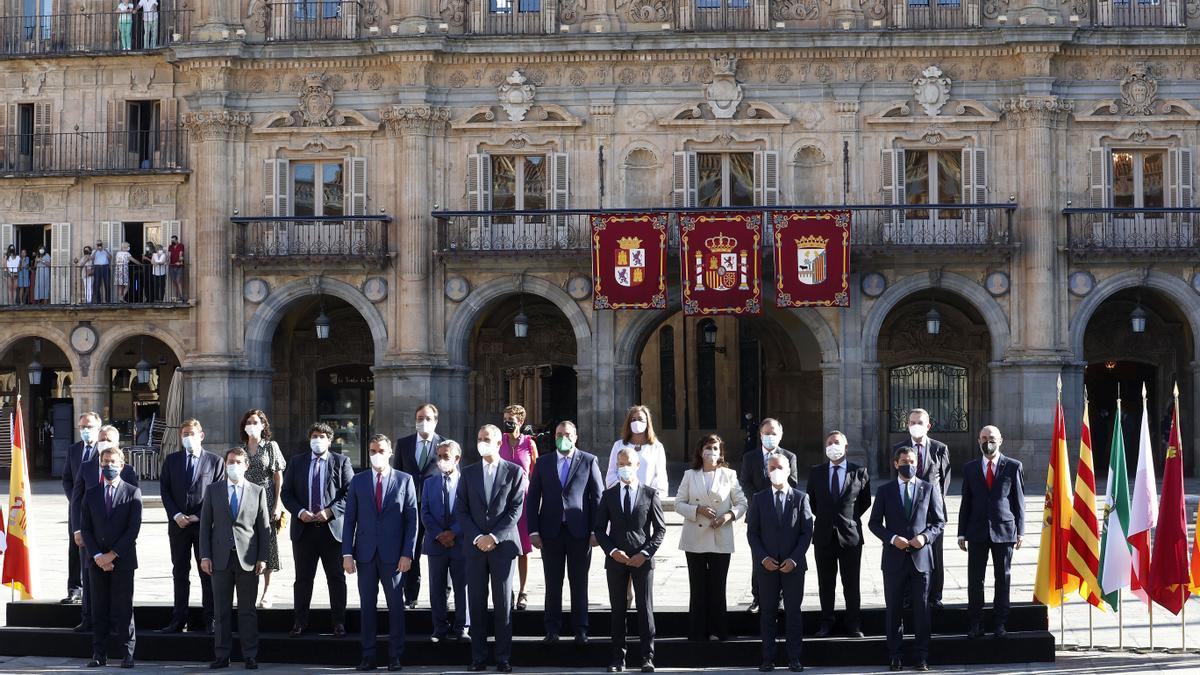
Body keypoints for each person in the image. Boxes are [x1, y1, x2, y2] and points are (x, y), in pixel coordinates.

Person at [342, 435, 417, 672]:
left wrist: (408, 553)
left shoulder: (405, 480)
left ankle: (395, 656)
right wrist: (346, 553)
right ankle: (368, 656)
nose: (376, 454)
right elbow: (349, 519)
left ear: (390, 452)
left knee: (395, 606)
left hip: (393, 556)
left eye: (381, 450)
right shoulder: (359, 481)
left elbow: (412, 520)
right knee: (367, 606)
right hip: (365, 554)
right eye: (372, 450)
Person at [869, 446, 946, 672]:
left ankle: (921, 655)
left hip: (921, 559)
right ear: (896, 464)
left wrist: (925, 537)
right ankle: (895, 654)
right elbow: (874, 523)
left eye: (912, 461)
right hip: (894, 560)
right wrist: (892, 538)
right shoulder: (885, 491)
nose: (908, 465)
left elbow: (938, 522)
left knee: (922, 610)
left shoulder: (928, 488)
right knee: (894, 609)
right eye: (904, 461)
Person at [455, 424, 525, 673]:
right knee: (476, 602)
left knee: (503, 602)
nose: (481, 442)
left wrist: (493, 536)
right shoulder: (468, 472)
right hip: (475, 548)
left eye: (486, 439)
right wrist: (477, 537)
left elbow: (515, 510)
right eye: (479, 437)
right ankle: (479, 657)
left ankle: (503, 657)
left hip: (503, 546)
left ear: (498, 444)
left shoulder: (514, 472)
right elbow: (461, 510)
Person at [528, 420, 604, 644]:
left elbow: (597, 498)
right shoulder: (543, 462)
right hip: (550, 531)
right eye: (559, 433)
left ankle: (581, 628)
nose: (563, 437)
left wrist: (596, 530)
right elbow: (532, 499)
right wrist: (532, 530)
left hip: (579, 532)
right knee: (553, 582)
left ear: (575, 437)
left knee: (579, 582)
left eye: (567, 434)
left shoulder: (589, 461)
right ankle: (552, 628)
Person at [595, 447, 666, 674]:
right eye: (620, 464)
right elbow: (599, 529)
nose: (623, 468)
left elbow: (659, 529)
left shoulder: (649, 494)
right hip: (616, 559)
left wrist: (645, 553)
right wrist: (612, 551)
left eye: (628, 464)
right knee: (618, 609)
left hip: (642, 559)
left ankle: (647, 656)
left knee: (645, 608)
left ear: (637, 466)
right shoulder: (609, 495)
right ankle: (618, 657)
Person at [281, 422, 355, 638]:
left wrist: (331, 512)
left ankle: (339, 622)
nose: (317, 439)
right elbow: (286, 493)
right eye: (314, 435)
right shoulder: (297, 462)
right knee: (303, 579)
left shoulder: (341, 462)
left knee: (336, 578)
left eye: (322, 436)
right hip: (304, 530)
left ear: (330, 440)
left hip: (330, 530)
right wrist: (299, 511)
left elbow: (350, 493)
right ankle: (300, 622)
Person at [199, 447, 270, 671]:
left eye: (239, 462)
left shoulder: (257, 491)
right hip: (220, 558)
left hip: (247, 558)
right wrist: (205, 555)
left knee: (247, 610)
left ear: (246, 465)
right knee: (221, 610)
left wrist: (263, 558)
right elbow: (204, 526)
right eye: (230, 461)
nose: (234, 465)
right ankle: (222, 655)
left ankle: (250, 654)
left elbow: (264, 528)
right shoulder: (213, 490)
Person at [675, 433, 747, 642]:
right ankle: (697, 632)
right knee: (697, 587)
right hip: (694, 538)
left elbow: (742, 503)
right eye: (708, 448)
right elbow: (678, 503)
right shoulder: (690, 475)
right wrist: (697, 509)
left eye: (716, 448)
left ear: (721, 452)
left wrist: (728, 516)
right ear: (700, 451)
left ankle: (719, 630)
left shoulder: (729, 475)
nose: (712, 452)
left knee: (718, 587)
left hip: (720, 536)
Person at [746, 453, 813, 673]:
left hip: (793, 567)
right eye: (772, 467)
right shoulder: (759, 498)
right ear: (767, 471)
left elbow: (806, 532)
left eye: (780, 467)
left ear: (788, 470)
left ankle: (794, 658)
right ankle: (768, 658)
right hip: (767, 567)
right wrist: (763, 558)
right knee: (768, 613)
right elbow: (753, 533)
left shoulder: (801, 498)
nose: (776, 471)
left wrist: (794, 559)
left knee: (793, 613)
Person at [156, 419, 222, 634]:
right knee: (180, 572)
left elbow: (217, 493)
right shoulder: (172, 460)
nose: (188, 437)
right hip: (178, 526)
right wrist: (176, 514)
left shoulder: (215, 462)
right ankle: (178, 618)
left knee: (207, 571)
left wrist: (198, 516)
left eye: (192, 433)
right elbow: (164, 490)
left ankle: (210, 618)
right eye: (184, 434)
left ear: (201, 435)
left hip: (204, 526)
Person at [71, 425, 139, 635]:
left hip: (118, 539)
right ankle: (88, 617)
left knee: (119, 589)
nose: (103, 441)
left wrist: (115, 552)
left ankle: (116, 625)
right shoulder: (87, 466)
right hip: (92, 534)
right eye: (101, 438)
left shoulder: (127, 470)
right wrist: (77, 529)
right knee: (90, 576)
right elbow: (77, 499)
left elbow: (133, 506)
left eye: (108, 439)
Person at [958, 425, 1024, 640]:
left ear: (1001, 440)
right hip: (976, 531)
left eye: (992, 438)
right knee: (975, 579)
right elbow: (965, 502)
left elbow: (1018, 501)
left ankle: (1000, 623)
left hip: (1004, 530)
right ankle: (976, 623)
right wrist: (961, 533)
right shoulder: (970, 468)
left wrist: (1020, 532)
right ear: (978, 441)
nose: (988, 441)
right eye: (984, 438)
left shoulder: (1013, 466)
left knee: (1002, 578)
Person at [79, 445, 142, 669]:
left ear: (122, 465)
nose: (108, 466)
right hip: (96, 562)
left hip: (122, 561)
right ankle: (99, 653)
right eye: (105, 462)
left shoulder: (132, 492)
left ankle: (128, 653)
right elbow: (85, 528)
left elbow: (132, 530)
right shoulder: (92, 492)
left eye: (113, 462)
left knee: (123, 607)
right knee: (99, 608)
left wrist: (112, 555)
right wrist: (98, 555)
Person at [806, 430, 871, 638]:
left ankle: (853, 623)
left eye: (837, 443)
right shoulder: (816, 472)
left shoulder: (859, 471)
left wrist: (846, 520)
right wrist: (828, 519)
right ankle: (827, 621)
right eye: (829, 443)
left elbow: (864, 502)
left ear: (845, 447)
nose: (833, 446)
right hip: (824, 536)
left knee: (851, 583)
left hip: (850, 537)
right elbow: (812, 503)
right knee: (826, 583)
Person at [893, 408, 951, 610]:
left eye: (920, 422)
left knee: (935, 554)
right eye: (912, 422)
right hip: (908, 510)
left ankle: (935, 596)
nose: (915, 425)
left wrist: (935, 505)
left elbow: (944, 481)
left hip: (933, 512)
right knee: (909, 553)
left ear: (928, 426)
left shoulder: (940, 448)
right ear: (907, 425)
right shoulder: (899, 448)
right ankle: (909, 596)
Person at [740, 418, 799, 614]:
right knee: (759, 558)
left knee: (781, 557)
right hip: (758, 514)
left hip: (782, 515)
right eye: (767, 433)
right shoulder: (750, 457)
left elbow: (794, 483)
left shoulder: (789, 456)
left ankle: (779, 599)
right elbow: (745, 482)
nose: (770, 436)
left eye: (774, 433)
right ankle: (757, 597)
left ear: (781, 435)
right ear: (760, 435)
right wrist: (760, 501)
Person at [394, 403, 444, 608]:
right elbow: (396, 475)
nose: (423, 422)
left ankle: (443, 594)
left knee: (440, 551)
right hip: (410, 507)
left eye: (428, 418)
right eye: (420, 418)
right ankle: (411, 595)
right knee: (410, 550)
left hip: (436, 509)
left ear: (436, 421)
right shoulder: (404, 444)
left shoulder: (445, 444)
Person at [421, 440, 470, 643]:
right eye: (439, 457)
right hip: (436, 543)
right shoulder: (429, 482)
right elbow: (424, 512)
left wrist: (453, 533)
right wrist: (439, 534)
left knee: (462, 586)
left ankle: (462, 627)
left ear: (457, 459)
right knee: (437, 586)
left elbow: (470, 511)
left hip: (461, 543)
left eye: (446, 457)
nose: (441, 460)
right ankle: (439, 627)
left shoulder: (467, 481)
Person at [239, 409, 287, 608]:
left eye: (255, 421)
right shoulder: (241, 449)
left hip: (266, 498)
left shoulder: (270, 447)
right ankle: (249, 590)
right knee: (248, 543)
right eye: (248, 421)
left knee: (268, 544)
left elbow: (278, 477)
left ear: (263, 425)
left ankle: (267, 591)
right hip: (245, 500)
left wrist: (277, 504)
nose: (252, 425)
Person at [61, 412, 102, 614]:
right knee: (74, 549)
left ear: (98, 428)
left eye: (89, 427)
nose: (85, 430)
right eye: (82, 427)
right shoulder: (73, 450)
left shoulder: (104, 450)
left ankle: (94, 589)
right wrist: (74, 500)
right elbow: (67, 478)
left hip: (98, 510)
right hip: (77, 509)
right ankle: (74, 589)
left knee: (94, 547)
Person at [498, 404, 538, 611]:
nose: (508, 421)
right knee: (504, 547)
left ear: (521, 421)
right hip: (502, 500)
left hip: (523, 499)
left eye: (512, 418)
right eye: (506, 418)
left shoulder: (529, 444)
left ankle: (523, 591)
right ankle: (507, 589)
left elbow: (534, 472)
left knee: (523, 548)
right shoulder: (499, 442)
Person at [605, 405, 668, 496]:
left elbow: (660, 476)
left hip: (647, 497)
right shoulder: (618, 445)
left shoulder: (656, 447)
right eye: (633, 419)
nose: (637, 422)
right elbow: (612, 472)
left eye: (640, 419)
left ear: (647, 422)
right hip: (622, 495)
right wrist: (621, 491)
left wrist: (650, 495)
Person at [168, 234, 184, 300]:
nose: (172, 241)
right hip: (171, 266)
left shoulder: (181, 245)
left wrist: (179, 261)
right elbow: (169, 255)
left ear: (177, 240)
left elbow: (181, 254)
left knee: (178, 281)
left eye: (174, 240)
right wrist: (168, 262)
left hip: (179, 266)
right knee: (174, 282)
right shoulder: (170, 246)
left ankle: (181, 296)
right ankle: (176, 297)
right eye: (172, 240)